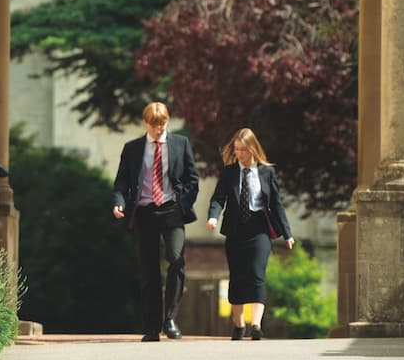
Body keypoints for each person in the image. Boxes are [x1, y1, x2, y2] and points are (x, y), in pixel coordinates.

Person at [112, 102, 200, 341]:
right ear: (145, 123)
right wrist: (119, 201)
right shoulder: (132, 148)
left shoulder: (180, 144)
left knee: (176, 259)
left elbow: (193, 179)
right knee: (149, 271)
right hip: (144, 212)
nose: (159, 129)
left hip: (172, 210)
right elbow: (121, 182)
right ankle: (152, 327)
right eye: (154, 125)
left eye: (162, 124)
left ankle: (169, 319)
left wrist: (183, 205)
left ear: (167, 122)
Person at [206, 128, 293, 341]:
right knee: (237, 276)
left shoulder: (266, 172)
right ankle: (238, 324)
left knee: (256, 274)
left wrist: (287, 233)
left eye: (243, 150)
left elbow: (276, 204)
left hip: (259, 228)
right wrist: (213, 217)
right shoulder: (229, 173)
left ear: (252, 148)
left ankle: (255, 324)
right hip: (236, 230)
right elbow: (218, 198)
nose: (239, 154)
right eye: (236, 150)